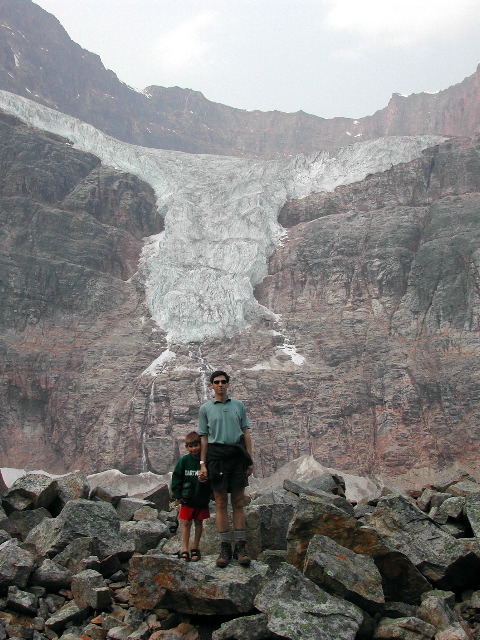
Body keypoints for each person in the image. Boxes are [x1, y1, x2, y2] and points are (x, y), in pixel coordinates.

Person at [198, 370, 253, 568]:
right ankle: (225, 546)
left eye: (223, 382)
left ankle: (240, 546)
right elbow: (203, 437)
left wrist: (249, 459)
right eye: (216, 382)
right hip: (216, 456)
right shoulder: (205, 409)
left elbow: (246, 432)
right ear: (211, 386)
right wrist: (202, 464)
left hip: (237, 455)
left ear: (228, 384)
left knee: (238, 501)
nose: (220, 385)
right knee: (220, 502)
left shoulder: (239, 405)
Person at [171, 431, 211, 562]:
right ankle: (184, 549)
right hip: (187, 500)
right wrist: (178, 495)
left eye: (196, 445)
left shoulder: (205, 462)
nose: (194, 448)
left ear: (201, 445)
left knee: (199, 523)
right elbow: (176, 478)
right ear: (186, 447)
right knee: (186, 523)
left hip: (201, 499)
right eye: (190, 446)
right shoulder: (184, 461)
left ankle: (195, 548)